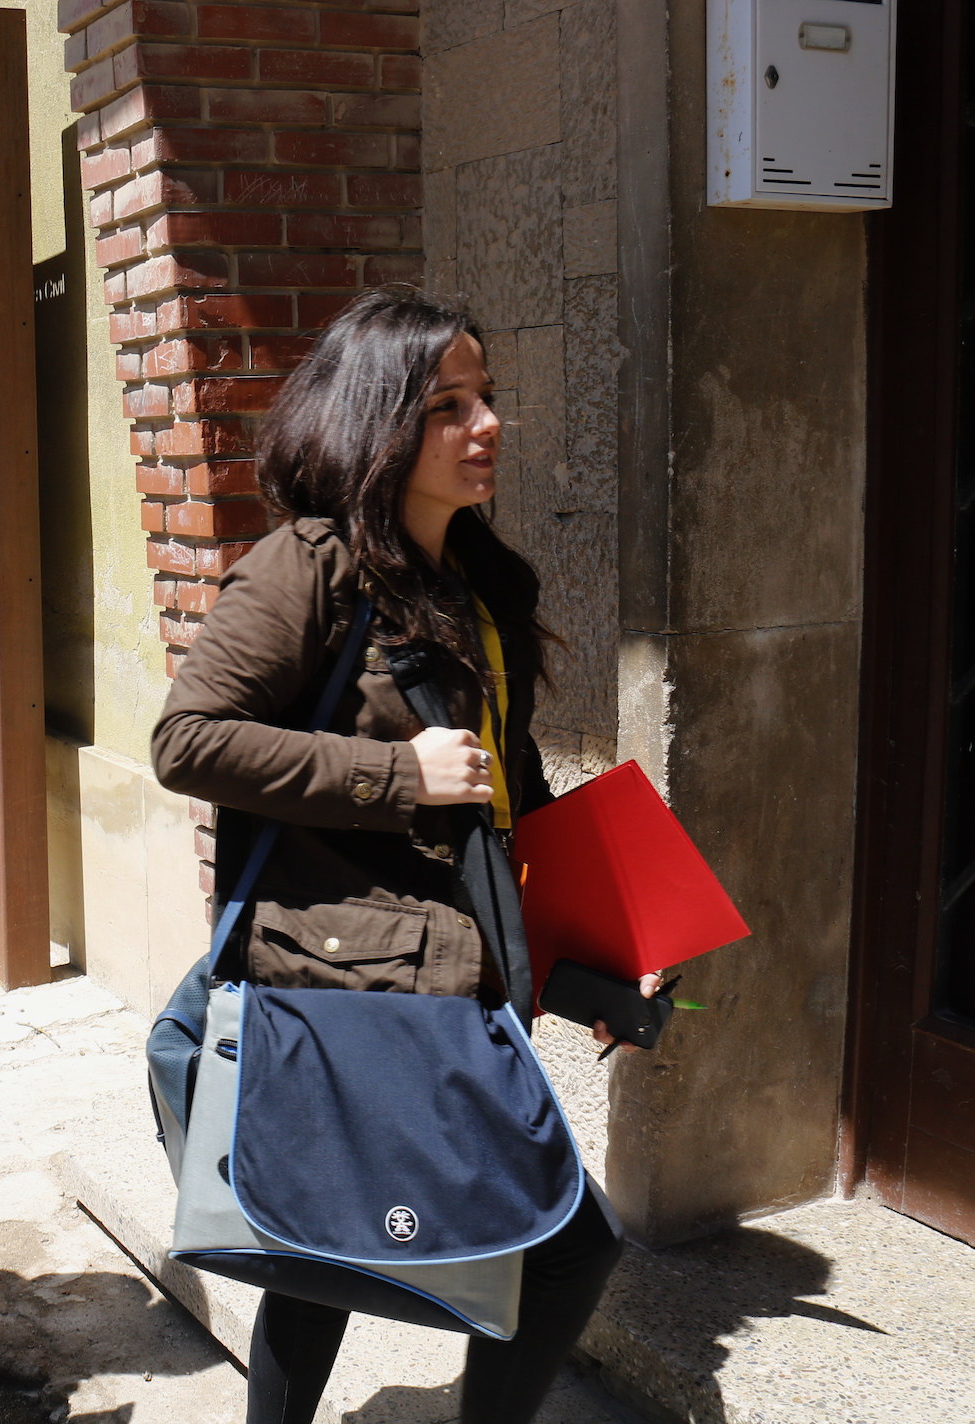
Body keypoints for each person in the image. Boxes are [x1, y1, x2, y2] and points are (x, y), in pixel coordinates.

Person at [150, 286, 653, 1424]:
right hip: (342, 981)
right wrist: (394, 776)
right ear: (376, 421)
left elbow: (514, 801)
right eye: (447, 404)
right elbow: (187, 738)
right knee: (549, 1247)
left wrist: (605, 956)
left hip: (444, 979)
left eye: (487, 398)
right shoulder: (308, 565)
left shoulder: (479, 584)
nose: (485, 425)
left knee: (324, 1237)